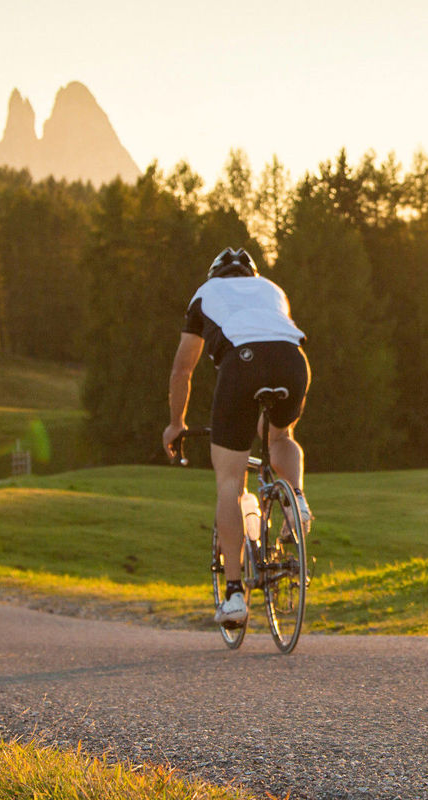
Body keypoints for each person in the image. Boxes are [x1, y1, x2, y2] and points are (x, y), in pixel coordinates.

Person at [163, 247, 311, 628]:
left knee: (230, 479)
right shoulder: (273, 288)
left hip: (242, 363)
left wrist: (176, 422)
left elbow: (183, 370)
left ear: (216, 275)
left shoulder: (204, 294)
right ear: (251, 275)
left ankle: (233, 595)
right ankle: (297, 500)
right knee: (280, 437)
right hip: (294, 361)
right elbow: (273, 336)